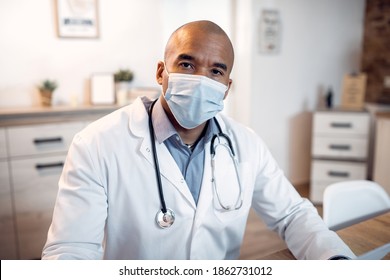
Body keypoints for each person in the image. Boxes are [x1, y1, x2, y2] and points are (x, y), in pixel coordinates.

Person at [42, 20, 355, 260]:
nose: (202, 80)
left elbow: (292, 215)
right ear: (161, 72)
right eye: (187, 64)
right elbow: (72, 248)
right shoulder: (97, 143)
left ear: (227, 87)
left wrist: (335, 260)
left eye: (216, 71)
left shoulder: (246, 144)